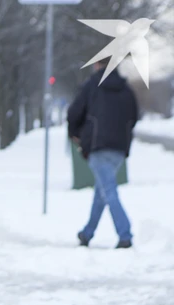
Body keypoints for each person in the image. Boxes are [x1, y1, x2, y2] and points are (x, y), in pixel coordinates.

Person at [67, 60, 139, 249]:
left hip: (97, 146)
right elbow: (134, 115)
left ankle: (125, 235)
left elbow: (74, 112)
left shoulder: (91, 86)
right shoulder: (126, 89)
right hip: (119, 150)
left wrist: (75, 133)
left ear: (98, 65)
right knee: (102, 192)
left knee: (108, 191)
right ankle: (87, 233)